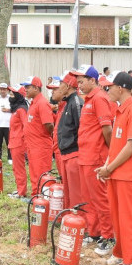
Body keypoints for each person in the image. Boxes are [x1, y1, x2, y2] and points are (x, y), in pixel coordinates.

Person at [95, 72, 132, 265]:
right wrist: (106, 166)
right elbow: (117, 146)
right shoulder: (120, 111)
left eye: (110, 87)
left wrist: (109, 168)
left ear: (121, 88)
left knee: (128, 219)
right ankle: (120, 253)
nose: (107, 90)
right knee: (118, 218)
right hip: (116, 173)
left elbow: (131, 145)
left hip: (128, 174)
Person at [71, 64, 114, 254]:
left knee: (101, 198)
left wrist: (110, 155)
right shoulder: (88, 99)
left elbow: (107, 129)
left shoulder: (99, 99)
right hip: (85, 156)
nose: (79, 84)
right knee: (89, 198)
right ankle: (95, 232)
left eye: (82, 81)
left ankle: (109, 236)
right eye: (78, 81)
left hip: (96, 158)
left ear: (93, 80)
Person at [20, 76, 54, 196]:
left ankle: (43, 201)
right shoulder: (34, 103)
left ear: (36, 88)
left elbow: (49, 125)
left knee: (41, 175)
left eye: (28, 87)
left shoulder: (42, 103)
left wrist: (44, 138)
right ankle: (36, 198)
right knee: (35, 174)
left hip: (41, 147)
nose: (25, 90)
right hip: (33, 146)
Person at [56, 73, 83, 213]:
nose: (59, 87)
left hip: (74, 153)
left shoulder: (76, 103)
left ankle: (80, 223)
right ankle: (70, 219)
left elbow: (81, 128)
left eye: (61, 83)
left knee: (76, 192)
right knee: (68, 191)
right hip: (65, 153)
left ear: (67, 86)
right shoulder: (68, 103)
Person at [7, 84, 29, 199]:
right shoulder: (16, 109)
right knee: (16, 167)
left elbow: (26, 127)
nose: (10, 95)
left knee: (19, 168)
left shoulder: (21, 110)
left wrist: (25, 145)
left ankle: (21, 192)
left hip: (19, 143)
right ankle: (20, 189)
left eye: (13, 93)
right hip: (14, 142)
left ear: (18, 96)